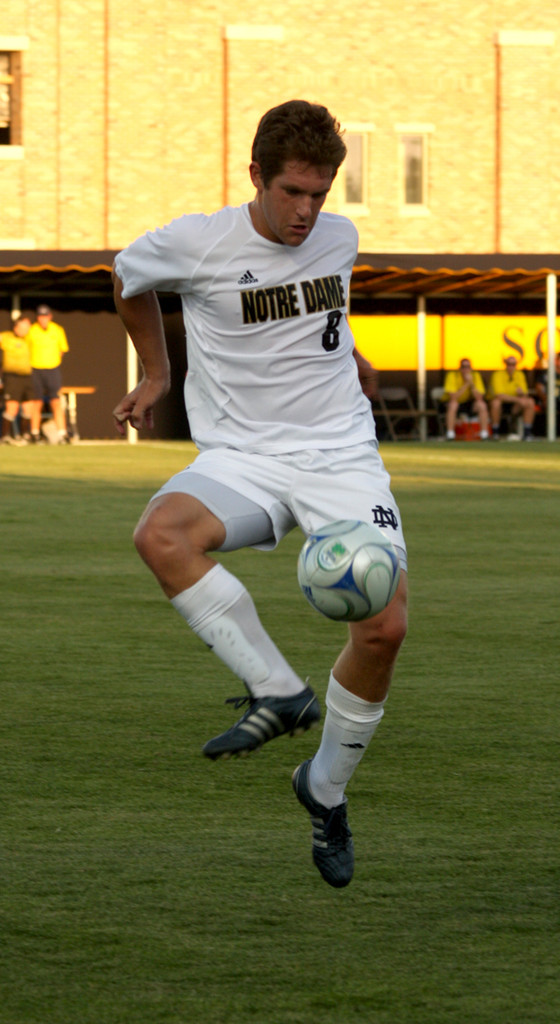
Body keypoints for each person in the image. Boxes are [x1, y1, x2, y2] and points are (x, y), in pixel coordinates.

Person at [112, 99, 408, 889]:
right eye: (292, 193)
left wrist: (352, 353)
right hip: (242, 455)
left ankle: (324, 787)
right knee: (160, 536)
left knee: (385, 628)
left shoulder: (340, 238)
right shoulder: (198, 242)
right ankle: (278, 689)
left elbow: (317, 315)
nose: (308, 211)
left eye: (321, 193)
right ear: (255, 176)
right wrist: (157, 372)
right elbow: (126, 276)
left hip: (341, 457)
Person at [27, 304, 70, 444]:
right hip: (35, 369)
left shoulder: (57, 330)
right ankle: (34, 433)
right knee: (37, 402)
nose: (43, 319)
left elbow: (62, 349)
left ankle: (62, 434)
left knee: (56, 401)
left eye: (45, 316)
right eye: (40, 316)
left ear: (50, 316)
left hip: (52, 369)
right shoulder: (32, 330)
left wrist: (53, 360)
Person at [0, 313, 34, 445]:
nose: (25, 330)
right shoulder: (6, 337)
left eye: (27, 327)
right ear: (16, 327)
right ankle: (5, 436)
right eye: (23, 327)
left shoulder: (30, 338)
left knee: (29, 407)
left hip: (27, 376)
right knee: (12, 407)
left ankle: (24, 435)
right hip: (12, 376)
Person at [487, 355, 535, 440]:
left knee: (530, 402)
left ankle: (527, 433)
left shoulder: (519, 374)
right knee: (496, 403)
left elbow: (525, 394)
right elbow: (499, 396)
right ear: (505, 364)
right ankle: (495, 432)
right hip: (501, 405)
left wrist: (522, 395)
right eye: (509, 364)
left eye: (513, 364)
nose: (511, 367)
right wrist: (518, 399)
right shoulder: (498, 374)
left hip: (515, 406)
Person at [441, 357, 489, 440]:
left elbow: (479, 397)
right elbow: (453, 398)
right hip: (453, 403)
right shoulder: (452, 375)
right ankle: (450, 433)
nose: (466, 369)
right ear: (459, 368)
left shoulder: (475, 375)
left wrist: (472, 384)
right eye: (463, 367)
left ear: (471, 368)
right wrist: (466, 383)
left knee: (481, 405)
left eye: (468, 367)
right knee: (453, 404)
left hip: (468, 404)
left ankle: (484, 433)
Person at [534, 352, 560, 430]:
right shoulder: (547, 373)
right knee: (550, 404)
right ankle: (550, 431)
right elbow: (539, 387)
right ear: (556, 361)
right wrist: (544, 398)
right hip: (549, 400)